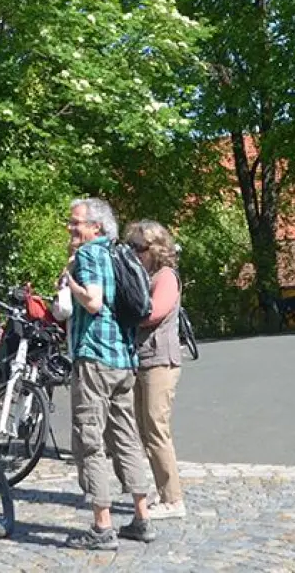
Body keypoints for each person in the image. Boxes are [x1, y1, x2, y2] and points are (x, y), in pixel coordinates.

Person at [60, 198, 153, 550]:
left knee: (90, 440)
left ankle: (102, 526)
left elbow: (93, 302)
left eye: (76, 223)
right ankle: (141, 518)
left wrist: (71, 282)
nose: (70, 228)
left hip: (95, 357)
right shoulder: (120, 253)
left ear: (95, 227)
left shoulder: (88, 255)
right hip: (124, 359)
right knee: (127, 437)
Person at [124, 219, 187, 520]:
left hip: (160, 360)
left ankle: (173, 500)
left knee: (156, 430)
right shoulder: (145, 276)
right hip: (144, 359)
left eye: (139, 247)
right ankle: (164, 493)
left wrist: (124, 310)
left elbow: (153, 313)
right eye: (131, 247)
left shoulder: (165, 277)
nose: (134, 252)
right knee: (146, 430)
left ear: (156, 248)